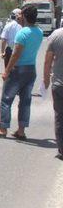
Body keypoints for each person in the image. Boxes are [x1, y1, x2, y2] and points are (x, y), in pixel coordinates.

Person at [0, 4, 43, 139]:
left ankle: (2, 129)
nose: (18, 16)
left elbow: (15, 54)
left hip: (18, 70)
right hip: (31, 69)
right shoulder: (39, 32)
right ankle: (21, 130)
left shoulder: (22, 33)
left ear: (24, 16)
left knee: (6, 99)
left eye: (20, 14)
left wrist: (7, 71)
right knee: (25, 101)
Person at [43, 26, 63, 160]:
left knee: (60, 117)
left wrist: (45, 80)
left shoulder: (56, 34)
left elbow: (48, 60)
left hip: (59, 84)